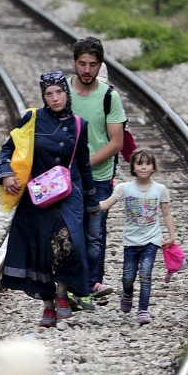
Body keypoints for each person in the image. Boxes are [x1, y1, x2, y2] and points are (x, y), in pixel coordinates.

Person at [0, 70, 98, 327]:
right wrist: (6, 174)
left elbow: (84, 165)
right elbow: (9, 148)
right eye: (49, 94)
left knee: (68, 241)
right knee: (41, 248)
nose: (55, 98)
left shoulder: (79, 125)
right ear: (43, 96)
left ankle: (62, 293)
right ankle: (48, 303)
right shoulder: (31, 119)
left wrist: (92, 201)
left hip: (69, 193)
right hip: (38, 193)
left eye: (59, 92)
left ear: (67, 93)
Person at [69, 36, 127, 299]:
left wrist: (83, 164)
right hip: (66, 176)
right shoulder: (62, 93)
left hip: (99, 177)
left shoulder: (109, 97)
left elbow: (116, 143)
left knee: (94, 232)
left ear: (100, 65)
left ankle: (92, 283)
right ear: (74, 63)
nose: (87, 70)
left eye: (92, 64)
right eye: (82, 63)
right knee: (68, 230)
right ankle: (70, 283)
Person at [99, 148, 177, 323]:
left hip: (152, 240)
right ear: (133, 167)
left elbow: (166, 214)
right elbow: (105, 205)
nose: (143, 167)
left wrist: (171, 236)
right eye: (139, 163)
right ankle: (127, 294)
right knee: (128, 276)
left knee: (145, 274)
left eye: (147, 164)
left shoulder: (160, 189)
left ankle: (143, 310)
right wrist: (87, 204)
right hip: (131, 241)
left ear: (153, 168)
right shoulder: (124, 188)